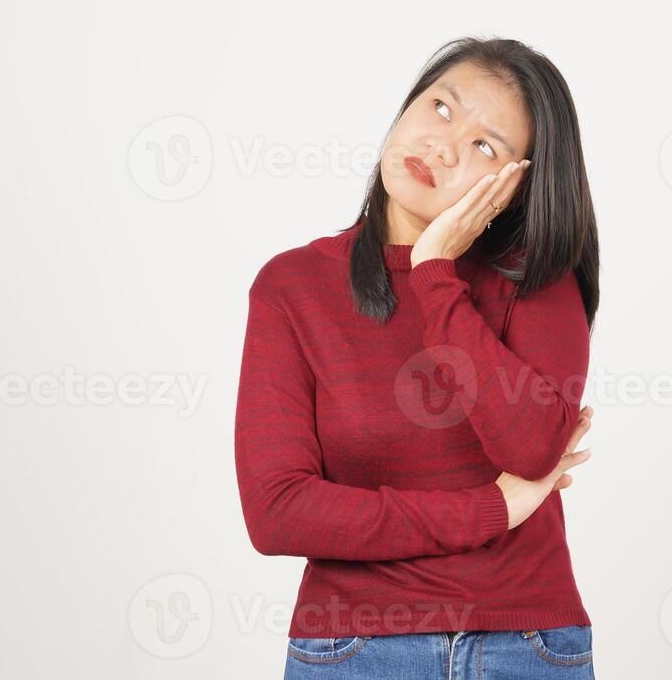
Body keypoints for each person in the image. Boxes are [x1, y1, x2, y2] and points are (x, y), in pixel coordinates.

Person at [235, 36, 602, 678]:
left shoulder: (538, 280)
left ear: (515, 187)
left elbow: (532, 450)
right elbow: (278, 511)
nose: (444, 145)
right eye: (440, 107)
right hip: (351, 650)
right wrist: (489, 511)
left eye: (487, 145)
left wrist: (433, 274)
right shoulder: (292, 286)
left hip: (525, 644)